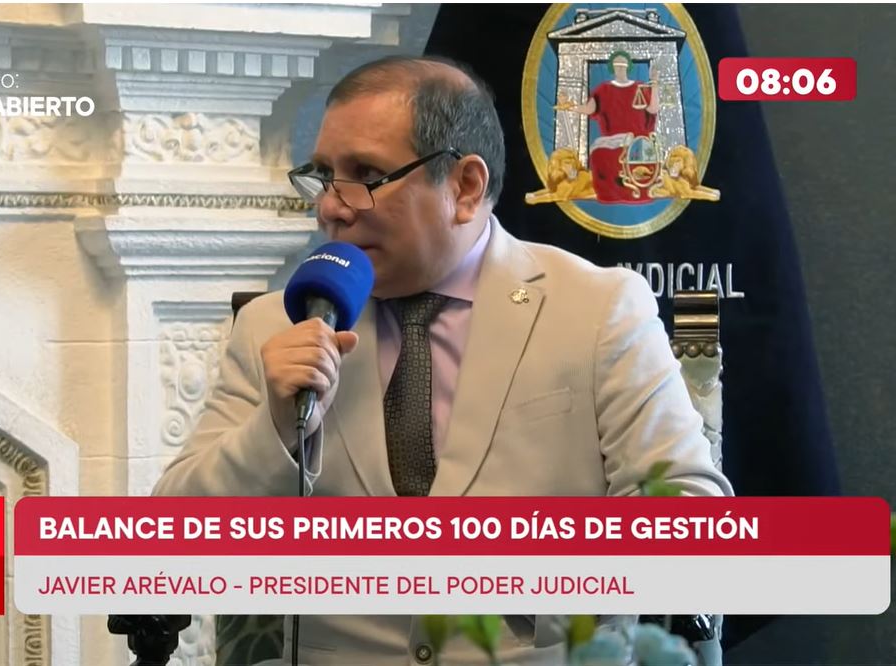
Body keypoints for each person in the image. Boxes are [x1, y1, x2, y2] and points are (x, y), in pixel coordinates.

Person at [154, 55, 732, 665]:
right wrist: (271, 430)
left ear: (465, 187)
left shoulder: (597, 308)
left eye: (365, 174)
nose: (330, 207)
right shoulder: (277, 325)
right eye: (323, 175)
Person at [555, 50, 660, 203]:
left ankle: (636, 193)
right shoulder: (603, 89)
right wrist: (570, 107)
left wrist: (654, 83)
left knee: (632, 158)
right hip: (612, 140)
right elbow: (589, 108)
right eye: (617, 66)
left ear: (628, 67)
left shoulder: (640, 87)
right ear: (612, 68)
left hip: (636, 141)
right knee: (599, 155)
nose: (620, 68)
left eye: (623, 65)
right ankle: (610, 195)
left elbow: (653, 109)